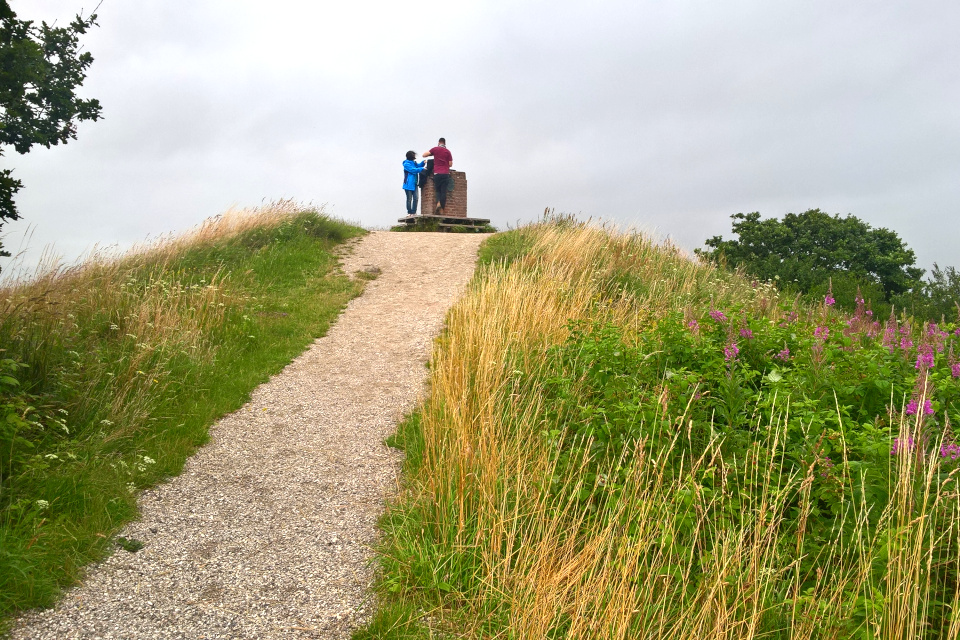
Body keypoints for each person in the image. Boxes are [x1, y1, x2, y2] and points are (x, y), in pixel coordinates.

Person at [422, 137, 453, 215]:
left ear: (439, 142)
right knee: (443, 191)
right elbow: (450, 164)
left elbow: (424, 155)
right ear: (445, 143)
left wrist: (433, 154)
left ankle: (438, 202)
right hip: (445, 173)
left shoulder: (435, 149)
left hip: (437, 173)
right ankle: (441, 207)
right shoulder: (448, 152)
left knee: (438, 190)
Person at [402, 151, 425, 216]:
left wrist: (423, 162)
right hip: (408, 184)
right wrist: (422, 168)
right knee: (409, 199)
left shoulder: (414, 163)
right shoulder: (406, 164)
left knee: (416, 198)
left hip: (414, 184)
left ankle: (413, 212)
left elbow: (418, 166)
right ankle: (409, 212)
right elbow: (413, 170)